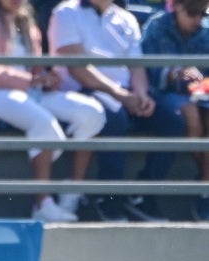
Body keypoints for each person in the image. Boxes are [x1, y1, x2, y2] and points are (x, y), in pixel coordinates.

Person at [0, 0, 106, 222]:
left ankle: (72, 195)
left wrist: (49, 78)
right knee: (45, 124)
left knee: (92, 112)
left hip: (32, 92)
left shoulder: (29, 24)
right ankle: (43, 204)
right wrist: (31, 79)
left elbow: (35, 68)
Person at [47, 0, 162, 222]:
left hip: (124, 93)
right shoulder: (65, 12)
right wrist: (121, 95)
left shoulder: (126, 18)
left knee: (171, 118)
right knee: (115, 116)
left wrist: (141, 95)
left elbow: (136, 65)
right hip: (84, 90)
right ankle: (108, 201)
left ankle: (145, 195)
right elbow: (77, 66)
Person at [140, 0, 209, 221]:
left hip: (201, 94)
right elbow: (147, 71)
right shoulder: (156, 26)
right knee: (190, 116)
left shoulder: (206, 30)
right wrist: (172, 74)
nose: (197, 20)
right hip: (162, 94)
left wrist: (202, 80)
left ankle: (205, 188)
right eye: (192, 13)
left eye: (202, 13)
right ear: (176, 6)